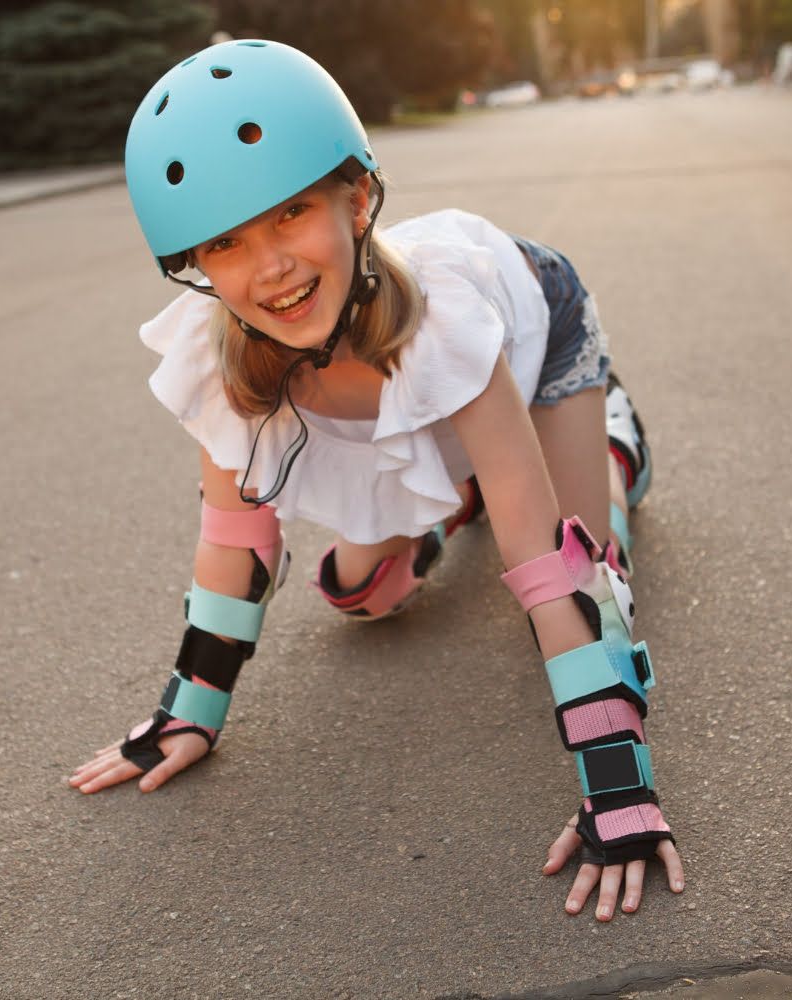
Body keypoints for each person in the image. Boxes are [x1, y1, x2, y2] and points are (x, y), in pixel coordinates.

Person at [70, 39, 685, 920]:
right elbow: (237, 541)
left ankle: (616, 444)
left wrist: (618, 788)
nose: (271, 267)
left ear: (355, 198)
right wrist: (189, 712)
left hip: (530, 333)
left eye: (289, 215)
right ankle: (453, 489)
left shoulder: (446, 323)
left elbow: (549, 565)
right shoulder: (228, 358)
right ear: (200, 267)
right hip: (415, 390)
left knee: (596, 571)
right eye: (228, 243)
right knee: (357, 594)